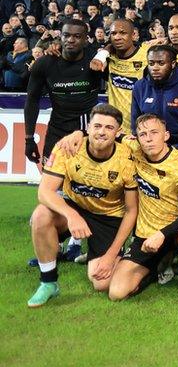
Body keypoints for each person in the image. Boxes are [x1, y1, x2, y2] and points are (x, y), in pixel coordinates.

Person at [53, 114, 178, 299]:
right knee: (116, 293)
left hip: (173, 233)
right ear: (137, 138)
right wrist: (78, 133)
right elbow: (109, 133)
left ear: (166, 135)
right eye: (143, 134)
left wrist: (162, 235)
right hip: (145, 235)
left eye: (154, 133)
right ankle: (157, 267)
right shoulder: (133, 146)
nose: (149, 138)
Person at [27, 104, 139, 307]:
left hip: (109, 216)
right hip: (76, 206)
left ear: (118, 132)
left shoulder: (127, 158)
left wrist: (111, 254)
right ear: (88, 127)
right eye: (97, 126)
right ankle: (48, 282)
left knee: (101, 283)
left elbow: (131, 211)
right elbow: (44, 192)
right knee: (40, 216)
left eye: (108, 127)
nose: (101, 132)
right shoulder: (68, 147)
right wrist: (72, 215)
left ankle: (107, 256)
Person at [25, 20, 103, 162]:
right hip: (56, 131)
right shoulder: (44, 63)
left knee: (85, 183)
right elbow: (32, 100)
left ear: (86, 40)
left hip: (88, 133)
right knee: (50, 181)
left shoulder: (96, 61)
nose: (70, 40)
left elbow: (115, 50)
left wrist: (104, 53)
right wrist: (29, 138)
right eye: (66, 35)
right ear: (60, 37)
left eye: (77, 36)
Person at [130, 44, 178, 163]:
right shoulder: (140, 87)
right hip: (149, 152)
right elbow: (136, 126)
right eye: (151, 63)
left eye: (161, 63)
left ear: (173, 64)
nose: (155, 68)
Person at [93, 19, 147, 131]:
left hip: (142, 128)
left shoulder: (147, 56)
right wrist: (102, 53)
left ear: (133, 35)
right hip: (116, 128)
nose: (117, 37)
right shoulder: (107, 58)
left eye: (123, 33)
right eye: (113, 33)